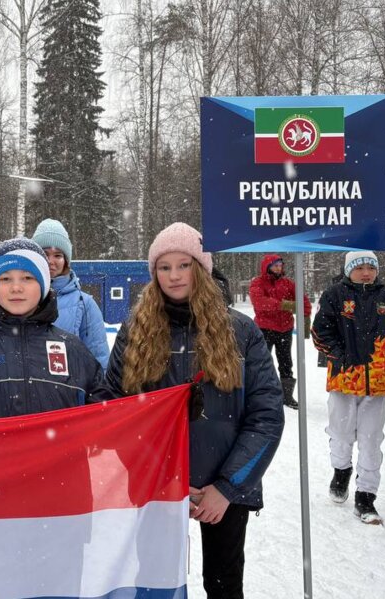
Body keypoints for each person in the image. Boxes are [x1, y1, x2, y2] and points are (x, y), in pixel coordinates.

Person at [105, 222, 284, 599]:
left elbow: (266, 416)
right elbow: (115, 412)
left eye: (183, 265)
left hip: (224, 489)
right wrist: (162, 479)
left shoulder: (240, 330)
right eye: (164, 267)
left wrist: (227, 487)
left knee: (223, 584)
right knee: (155, 583)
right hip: (156, 485)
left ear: (201, 269)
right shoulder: (135, 329)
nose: (174, 275)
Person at [0, 238, 106, 420]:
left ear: (44, 283)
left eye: (27, 278)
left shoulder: (74, 349)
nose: (16, 288)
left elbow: (100, 422)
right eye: (5, 278)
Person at [311, 250, 385, 525]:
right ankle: (341, 469)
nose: (366, 272)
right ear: (349, 270)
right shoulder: (334, 295)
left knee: (371, 439)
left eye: (371, 266)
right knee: (342, 433)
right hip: (344, 380)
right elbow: (320, 330)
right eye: (360, 267)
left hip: (376, 383)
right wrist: (340, 355)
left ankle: (366, 495)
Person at [31, 218, 110, 368]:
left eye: (58, 255)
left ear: (66, 260)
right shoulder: (20, 297)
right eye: (45, 253)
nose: (50, 261)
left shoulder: (84, 304)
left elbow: (99, 359)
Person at [249, 254, 311, 409]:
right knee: (261, 362)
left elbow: (303, 302)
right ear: (267, 266)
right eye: (275, 265)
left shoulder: (288, 283)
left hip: (285, 329)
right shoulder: (258, 282)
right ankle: (259, 395)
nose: (278, 268)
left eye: (280, 265)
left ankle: (286, 396)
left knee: (286, 362)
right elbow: (259, 302)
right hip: (264, 328)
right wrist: (284, 305)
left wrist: (305, 318)